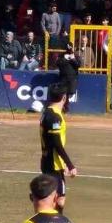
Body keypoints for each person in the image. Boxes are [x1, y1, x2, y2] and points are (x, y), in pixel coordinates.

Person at [39, 84, 78, 212]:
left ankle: (51, 221)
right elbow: (56, 143)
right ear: (64, 98)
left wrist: (63, 164)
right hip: (53, 164)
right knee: (59, 200)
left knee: (54, 198)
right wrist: (70, 165)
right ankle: (54, 222)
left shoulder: (47, 112)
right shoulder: (54, 117)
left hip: (48, 161)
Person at [56, 42, 81, 112]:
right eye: (68, 47)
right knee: (62, 92)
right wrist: (64, 58)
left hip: (72, 78)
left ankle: (65, 106)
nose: (69, 48)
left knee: (70, 92)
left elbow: (78, 65)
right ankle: (63, 107)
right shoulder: (62, 56)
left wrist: (73, 59)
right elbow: (58, 63)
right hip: (63, 77)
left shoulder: (75, 55)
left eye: (70, 47)